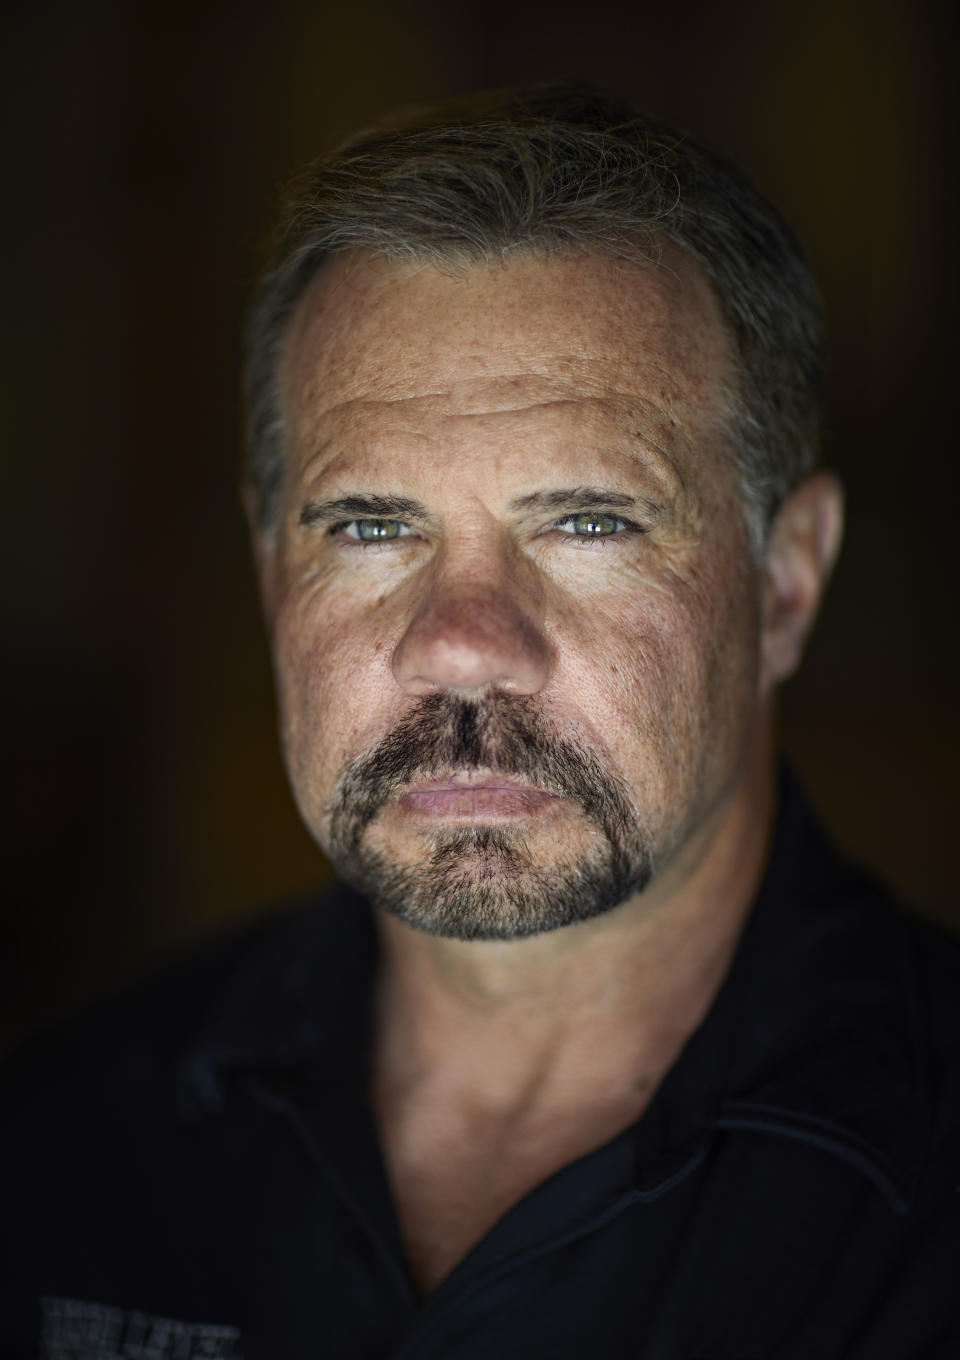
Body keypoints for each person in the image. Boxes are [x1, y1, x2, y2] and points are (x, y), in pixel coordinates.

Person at [3, 84, 958, 1360]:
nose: (459, 640)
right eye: (372, 526)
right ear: (271, 568)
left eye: (589, 522)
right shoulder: (58, 1152)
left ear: (786, 583)